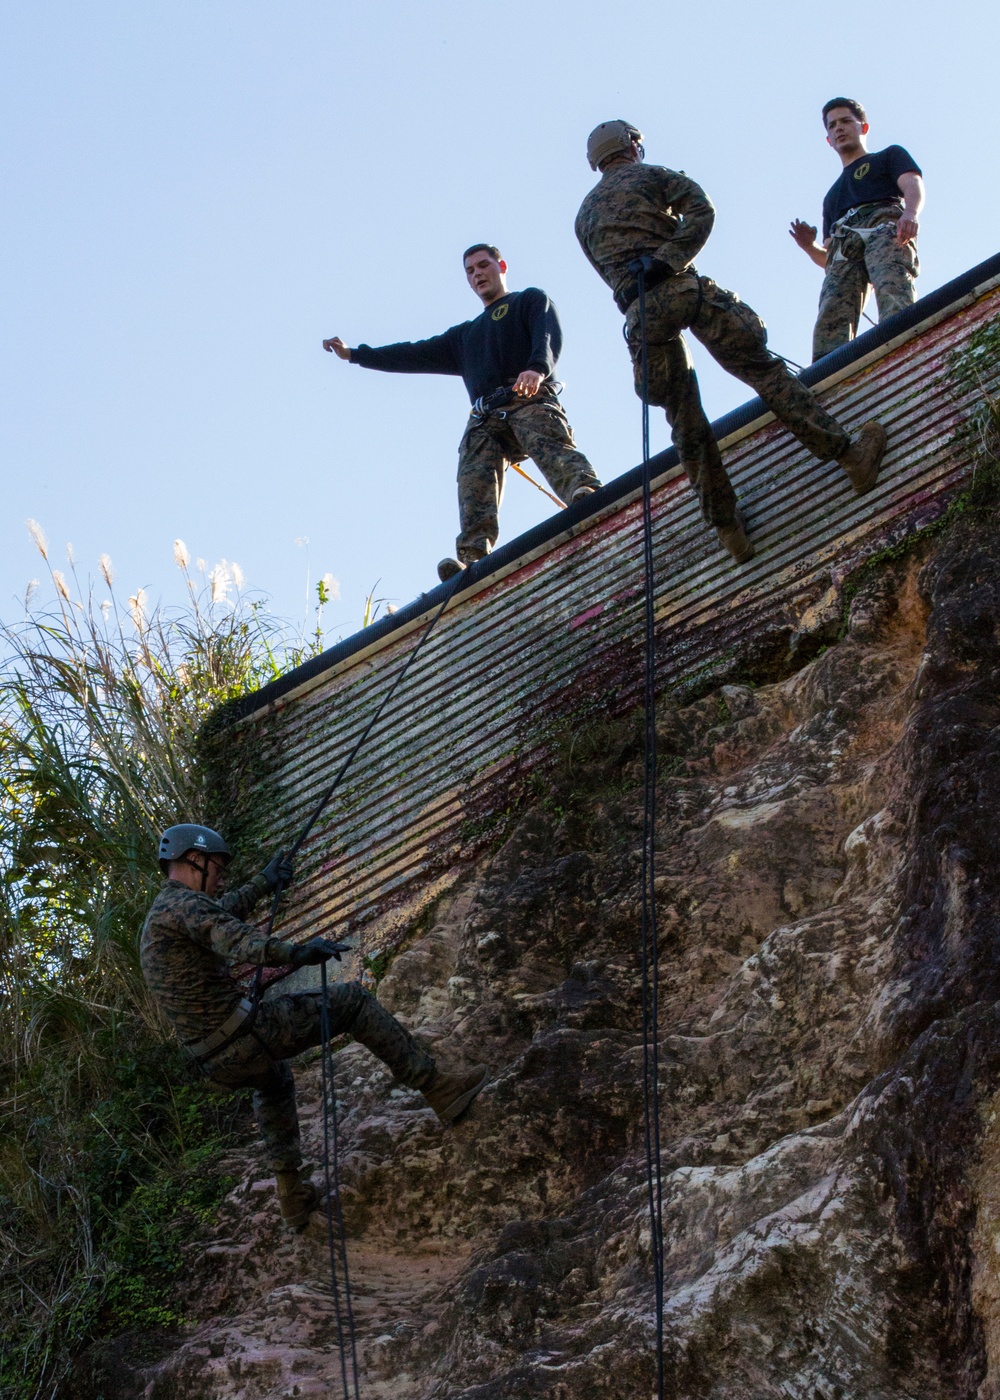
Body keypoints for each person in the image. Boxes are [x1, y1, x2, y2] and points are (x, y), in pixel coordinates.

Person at [140, 825, 488, 1230]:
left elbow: (220, 915)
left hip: (215, 1061)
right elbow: (239, 940)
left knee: (273, 1082)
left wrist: (263, 883)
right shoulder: (185, 906)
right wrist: (299, 953)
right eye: (218, 867)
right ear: (194, 860)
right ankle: (439, 1088)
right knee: (352, 1002)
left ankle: (292, 1197)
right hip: (246, 1034)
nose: (223, 877)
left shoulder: (166, 913)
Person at [575, 121, 889, 564]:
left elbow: (608, 274)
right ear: (632, 146)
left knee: (684, 420)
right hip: (682, 288)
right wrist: (667, 259)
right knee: (761, 370)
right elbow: (703, 210)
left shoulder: (584, 216)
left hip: (642, 316)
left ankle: (729, 530)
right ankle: (849, 457)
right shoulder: (652, 175)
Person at [323, 245, 602, 583]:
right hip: (486, 416)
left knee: (545, 437)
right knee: (473, 469)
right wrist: (354, 354)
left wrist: (537, 369)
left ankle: (583, 492)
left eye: (483, 266)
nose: (477, 274)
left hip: (526, 396)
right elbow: (411, 354)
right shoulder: (465, 336)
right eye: (470, 271)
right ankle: (472, 560)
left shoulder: (528, 300)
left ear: (501, 266)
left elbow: (547, 333)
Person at [790, 98, 924, 361]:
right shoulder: (832, 197)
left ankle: (903, 346)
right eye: (832, 125)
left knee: (891, 286)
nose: (839, 128)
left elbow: (912, 183)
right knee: (833, 304)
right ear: (828, 139)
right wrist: (809, 247)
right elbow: (829, 259)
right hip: (844, 241)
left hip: (882, 226)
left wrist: (910, 213)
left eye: (846, 121)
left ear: (863, 127)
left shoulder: (887, 157)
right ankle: (830, 369)